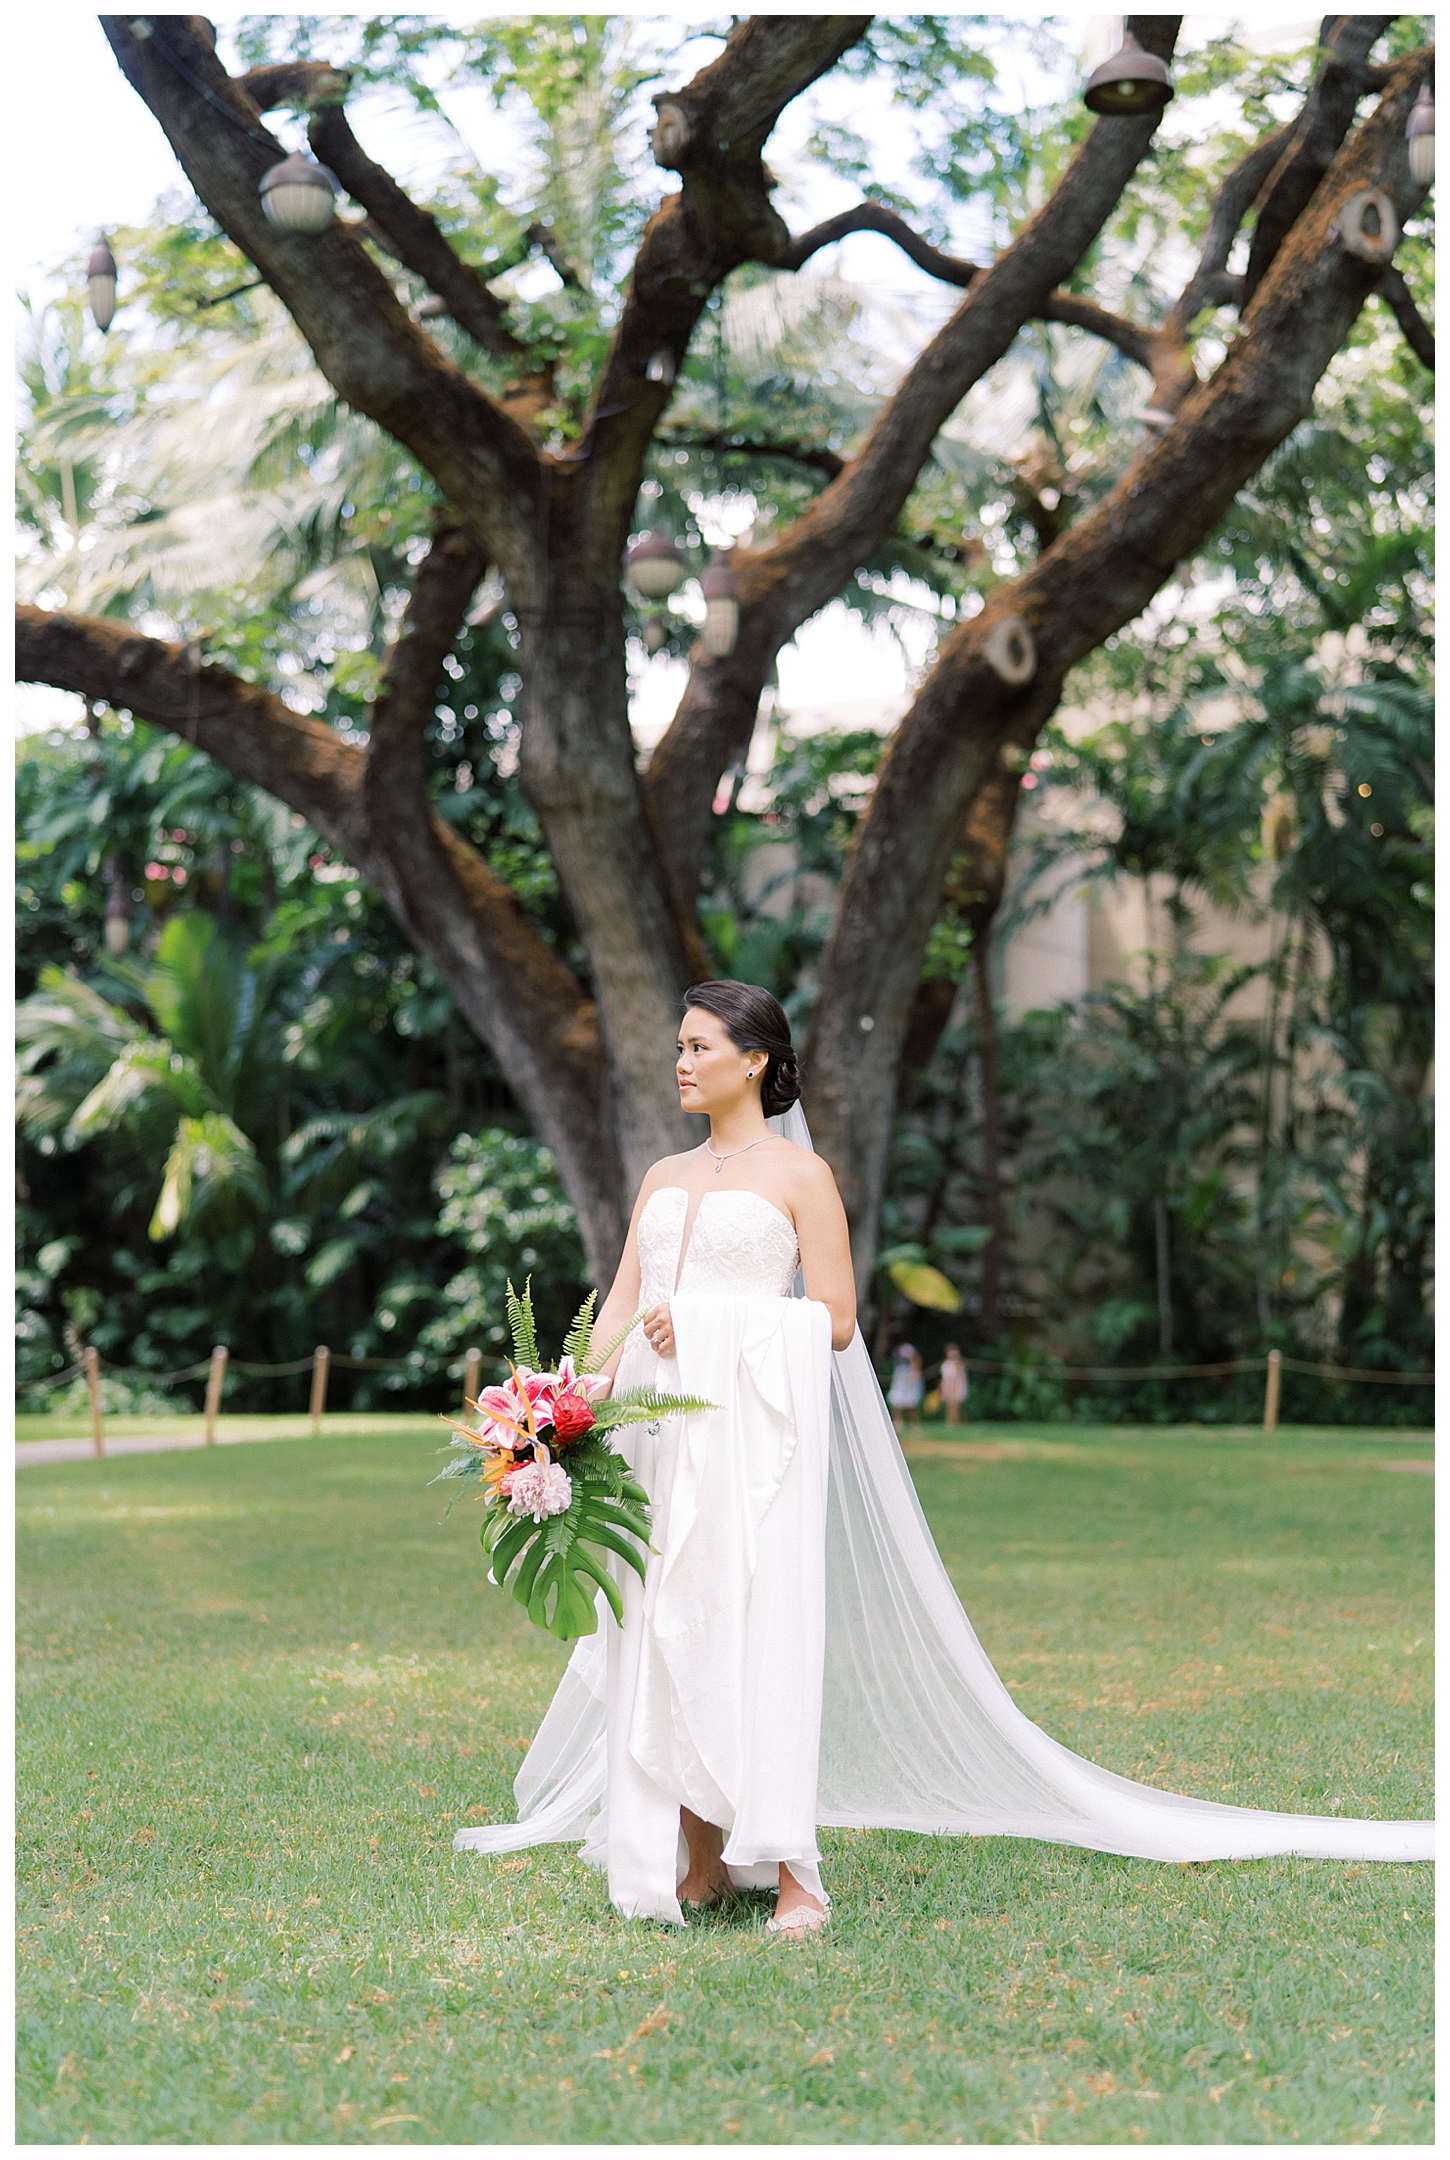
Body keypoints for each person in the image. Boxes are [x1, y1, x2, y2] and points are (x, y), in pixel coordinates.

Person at [455, 982, 1432, 1931]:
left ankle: (795, 1872)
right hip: (656, 1446)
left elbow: (833, 1320)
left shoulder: (802, 1179)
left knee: (760, 1632)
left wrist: (707, 1322)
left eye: (699, 1046)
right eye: (678, 1045)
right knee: (668, 1629)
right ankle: (699, 1861)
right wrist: (558, 1403)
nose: (680, 1061)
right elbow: (620, 1306)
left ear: (755, 1060)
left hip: (757, 1443)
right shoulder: (662, 1179)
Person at [888, 1342, 924, 1432]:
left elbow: (916, 1360)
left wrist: (915, 1371)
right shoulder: (897, 1351)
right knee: (896, 1399)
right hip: (900, 1375)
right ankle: (898, 1421)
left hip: (909, 1374)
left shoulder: (908, 1348)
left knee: (912, 1400)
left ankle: (914, 1423)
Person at [940, 1343, 969, 1427]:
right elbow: (945, 1378)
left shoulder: (960, 1364)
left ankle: (957, 1422)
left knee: (957, 1406)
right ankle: (951, 1422)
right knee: (950, 1406)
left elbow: (960, 1377)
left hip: (958, 1387)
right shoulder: (945, 1365)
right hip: (949, 1387)